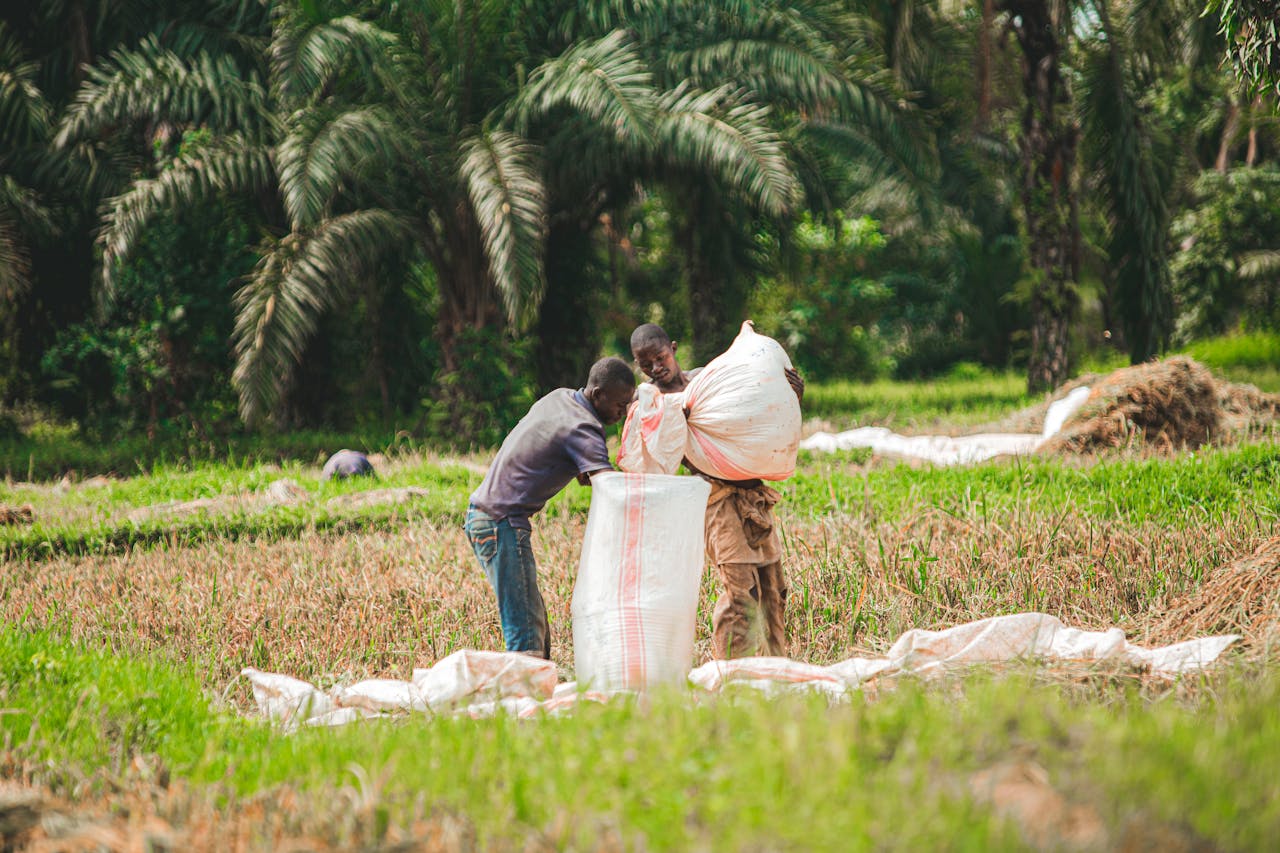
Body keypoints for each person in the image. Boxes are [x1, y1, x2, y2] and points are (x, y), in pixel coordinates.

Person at [629, 323, 803, 660]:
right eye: (645, 364)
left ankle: (774, 667)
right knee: (741, 593)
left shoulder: (704, 382)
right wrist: (674, 418)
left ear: (674, 348)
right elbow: (657, 452)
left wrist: (789, 396)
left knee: (773, 588)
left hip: (755, 496)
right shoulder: (651, 400)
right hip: (716, 503)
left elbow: (754, 409)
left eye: (660, 358)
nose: (655, 368)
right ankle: (732, 673)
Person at [465, 356, 636, 659]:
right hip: (501, 523)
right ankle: (524, 702)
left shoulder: (560, 397)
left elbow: (582, 472)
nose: (622, 414)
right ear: (598, 395)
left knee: (534, 622)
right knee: (526, 631)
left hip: (485, 517)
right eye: (620, 406)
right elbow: (608, 486)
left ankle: (536, 692)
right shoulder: (583, 426)